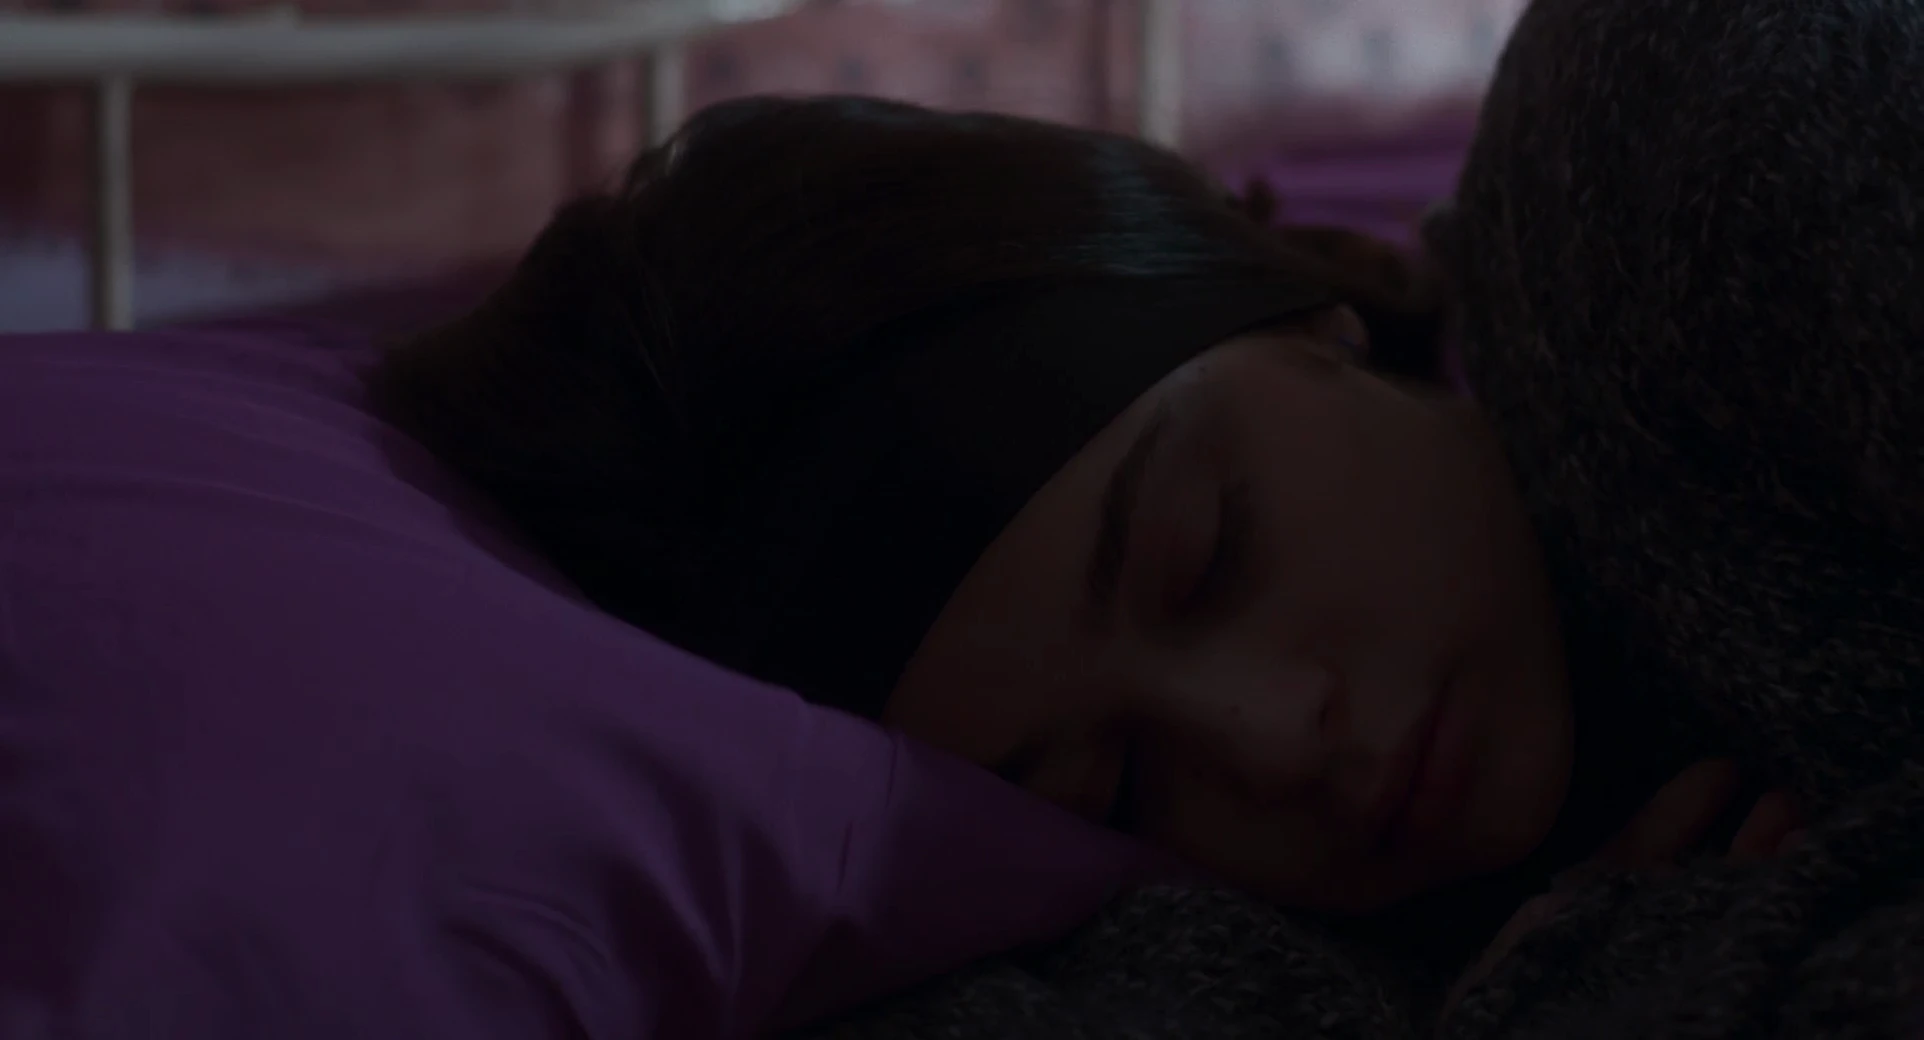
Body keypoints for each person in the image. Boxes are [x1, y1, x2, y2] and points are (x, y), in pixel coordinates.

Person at [369, 96, 1799, 932]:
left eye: (1208, 552)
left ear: (1312, 297)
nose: (1276, 743)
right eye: (1112, 792)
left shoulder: (1712, 165)